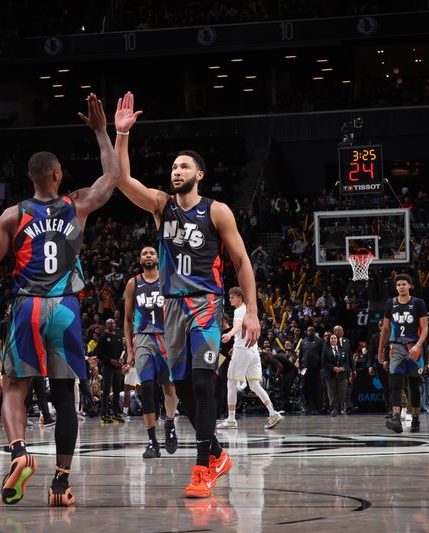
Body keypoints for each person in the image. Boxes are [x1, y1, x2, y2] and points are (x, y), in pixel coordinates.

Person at [0, 92, 122, 507]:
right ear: (57, 174)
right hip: (65, 308)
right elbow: (112, 178)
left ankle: (19, 452)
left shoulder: (13, 216)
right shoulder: (78, 204)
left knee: (14, 388)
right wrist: (102, 131)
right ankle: (60, 484)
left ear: (34, 179)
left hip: (27, 306)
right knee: (65, 394)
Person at [114, 92, 260, 498]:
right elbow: (124, 182)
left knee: (202, 384)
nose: (175, 171)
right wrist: (122, 135)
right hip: (170, 309)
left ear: (200, 174)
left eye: (183, 166)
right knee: (179, 391)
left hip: (206, 305)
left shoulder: (218, 211)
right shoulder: (162, 206)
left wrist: (251, 312)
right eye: (173, 166)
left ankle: (202, 470)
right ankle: (216, 452)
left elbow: (243, 263)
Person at [123, 246, 179, 458]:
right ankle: (152, 442)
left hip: (166, 337)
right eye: (144, 253)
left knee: (169, 388)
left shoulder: (168, 279)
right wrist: (129, 349)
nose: (148, 255)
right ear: (140, 259)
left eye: (151, 253)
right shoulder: (133, 283)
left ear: (158, 258)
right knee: (146, 388)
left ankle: (171, 423)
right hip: (143, 337)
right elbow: (127, 319)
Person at [217, 287, 282, 429]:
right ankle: (273, 412)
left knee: (231, 382)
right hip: (253, 350)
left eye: (231, 297)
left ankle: (231, 418)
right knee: (254, 385)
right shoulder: (250, 310)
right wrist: (236, 343)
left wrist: (230, 335)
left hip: (243, 350)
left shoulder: (239, 310)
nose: (230, 299)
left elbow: (239, 326)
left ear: (239, 297)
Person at [378, 274, 429, 433]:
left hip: (414, 346)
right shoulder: (390, 303)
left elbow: (425, 328)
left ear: (410, 286)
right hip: (396, 347)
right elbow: (385, 329)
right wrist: (381, 350)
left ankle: (415, 418)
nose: (401, 287)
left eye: (404, 284)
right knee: (395, 383)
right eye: (398, 284)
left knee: (414, 385)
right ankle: (396, 417)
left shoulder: (418, 303)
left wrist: (419, 345)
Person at [95, 318, 125, 423]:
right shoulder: (103, 337)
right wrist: (110, 360)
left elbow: (122, 351)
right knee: (106, 390)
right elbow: (98, 353)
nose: (112, 324)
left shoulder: (118, 337)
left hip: (117, 367)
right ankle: (105, 414)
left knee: (117, 391)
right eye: (109, 323)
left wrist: (121, 360)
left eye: (113, 322)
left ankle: (116, 413)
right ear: (106, 325)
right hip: (107, 367)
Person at [322, 333, 351, 417]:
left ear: (337, 340)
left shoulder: (343, 349)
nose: (333, 340)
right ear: (329, 340)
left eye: (335, 338)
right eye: (331, 338)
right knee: (332, 393)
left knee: (342, 392)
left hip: (342, 374)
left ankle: (340, 409)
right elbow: (324, 362)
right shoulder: (325, 349)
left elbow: (347, 362)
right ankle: (333, 409)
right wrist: (333, 368)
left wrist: (343, 368)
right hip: (330, 374)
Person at [299, 326, 323, 414]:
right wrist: (300, 367)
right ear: (306, 332)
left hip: (315, 368)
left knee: (315, 387)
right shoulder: (303, 341)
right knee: (304, 386)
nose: (310, 331)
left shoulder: (319, 341)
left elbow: (322, 354)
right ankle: (306, 406)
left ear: (314, 331)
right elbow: (300, 354)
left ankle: (315, 406)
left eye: (312, 330)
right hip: (305, 368)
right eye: (309, 330)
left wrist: (321, 367)